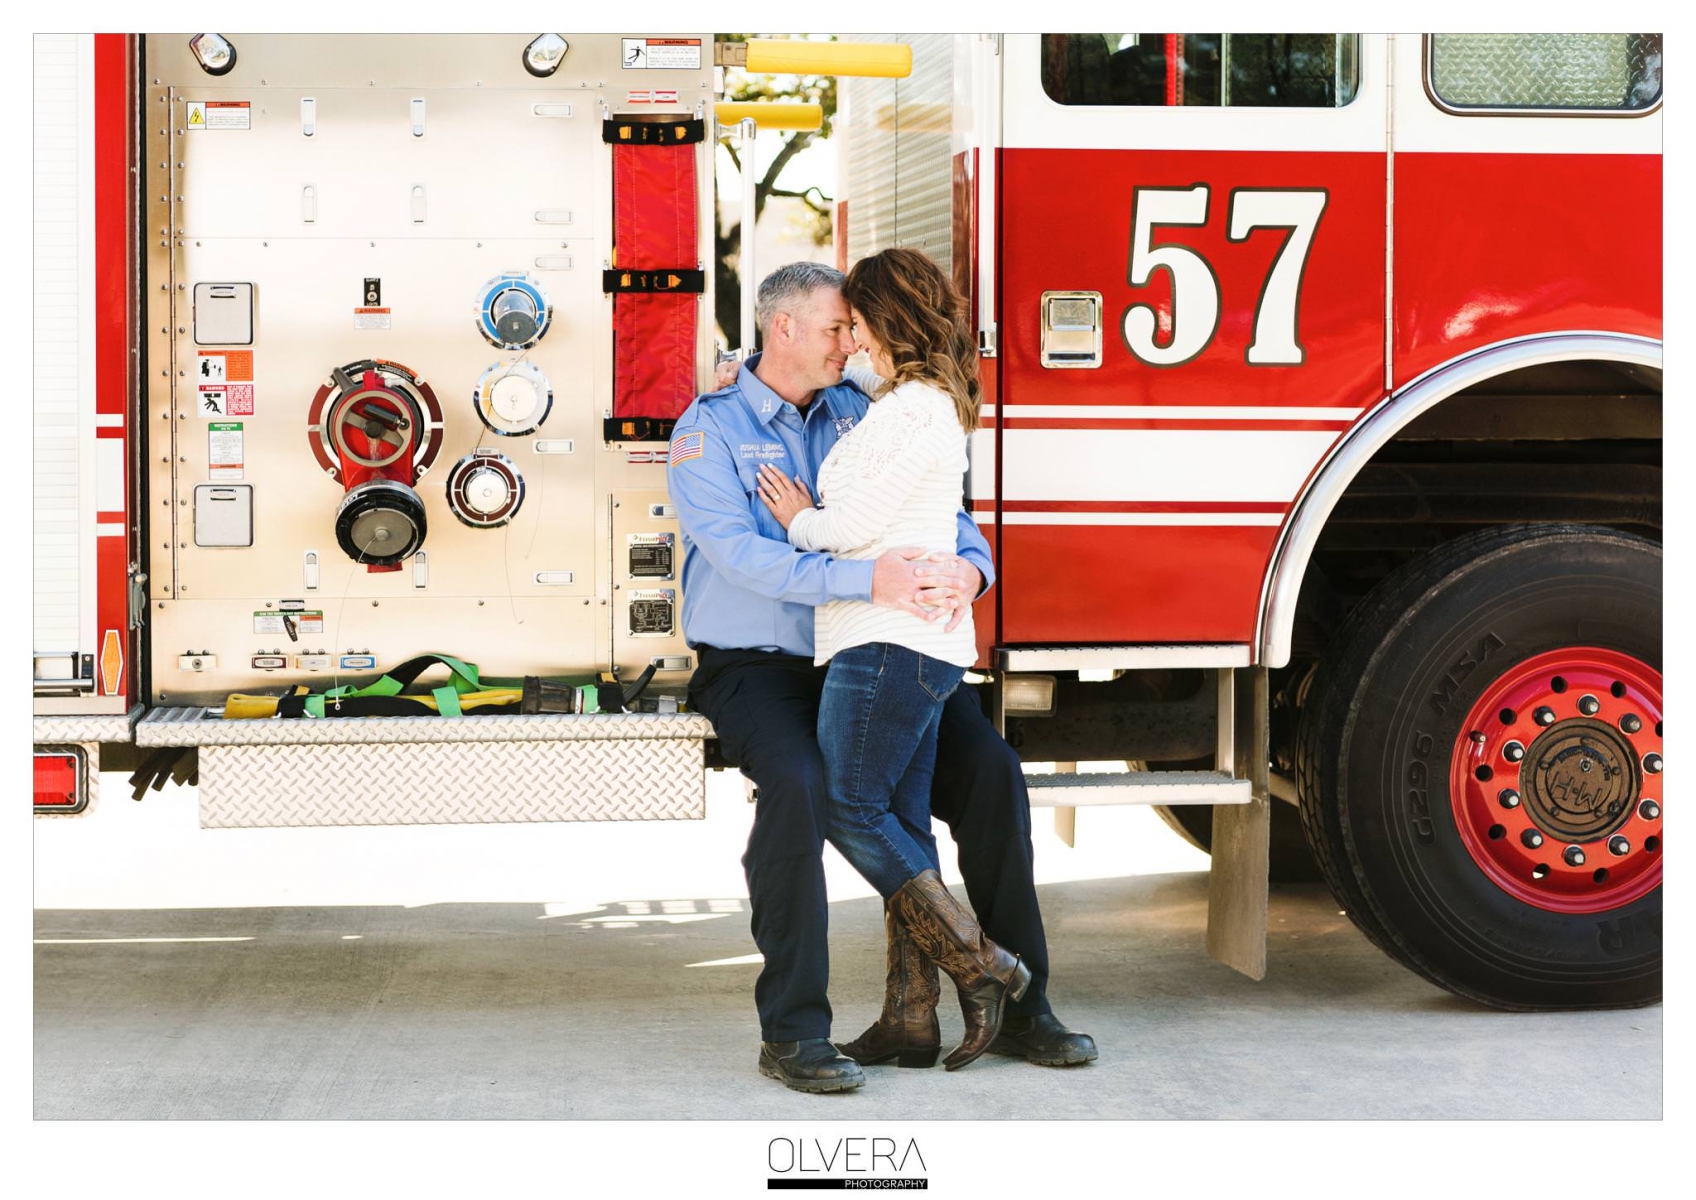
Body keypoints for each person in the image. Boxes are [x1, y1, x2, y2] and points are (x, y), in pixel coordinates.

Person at [668, 260, 1097, 1094]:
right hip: (759, 665)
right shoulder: (709, 429)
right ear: (782, 327)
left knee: (992, 775)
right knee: (799, 786)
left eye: (854, 327)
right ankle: (795, 1031)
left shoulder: (868, 411)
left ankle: (1022, 1007)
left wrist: (972, 572)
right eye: (836, 327)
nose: (851, 342)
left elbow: (946, 516)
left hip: (871, 651)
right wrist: (869, 580)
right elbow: (741, 557)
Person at [754, 248, 1025, 1073]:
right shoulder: (902, 402)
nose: (851, 337)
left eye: (858, 320)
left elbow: (854, 521)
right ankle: (910, 1017)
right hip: (898, 639)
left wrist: (801, 518)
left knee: (848, 807)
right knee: (903, 824)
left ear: (889, 319)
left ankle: (982, 964)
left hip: (888, 642)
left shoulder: (917, 411)